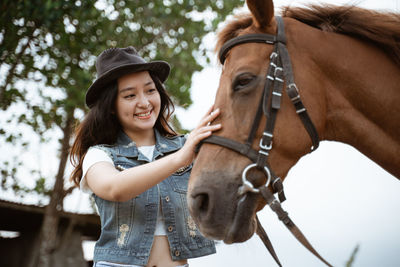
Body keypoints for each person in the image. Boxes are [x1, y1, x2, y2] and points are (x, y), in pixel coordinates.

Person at [69, 46, 221, 267]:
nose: (144, 102)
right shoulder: (99, 154)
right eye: (130, 95)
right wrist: (180, 158)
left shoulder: (187, 146)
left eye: (150, 90)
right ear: (111, 106)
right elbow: (114, 188)